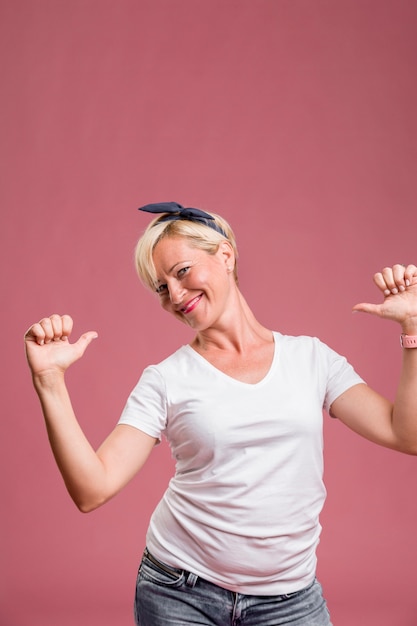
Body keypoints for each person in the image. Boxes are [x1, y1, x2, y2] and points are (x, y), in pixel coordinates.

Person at [24, 202, 417, 626]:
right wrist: (49, 381)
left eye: (181, 272)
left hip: (289, 598)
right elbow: (92, 489)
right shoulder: (165, 379)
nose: (174, 295)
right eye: (160, 288)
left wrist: (413, 328)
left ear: (225, 256)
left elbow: (406, 435)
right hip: (179, 592)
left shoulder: (312, 359)